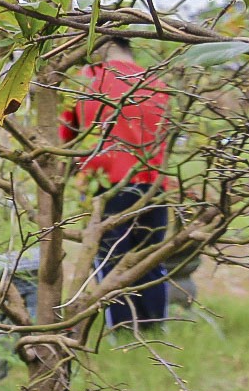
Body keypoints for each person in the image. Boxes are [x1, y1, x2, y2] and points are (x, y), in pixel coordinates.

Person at [60, 36, 173, 329]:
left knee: (110, 260)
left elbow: (65, 137)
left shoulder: (88, 81)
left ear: (100, 47)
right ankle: (154, 327)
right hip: (154, 185)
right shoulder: (158, 84)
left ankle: (122, 330)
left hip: (108, 186)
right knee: (149, 258)